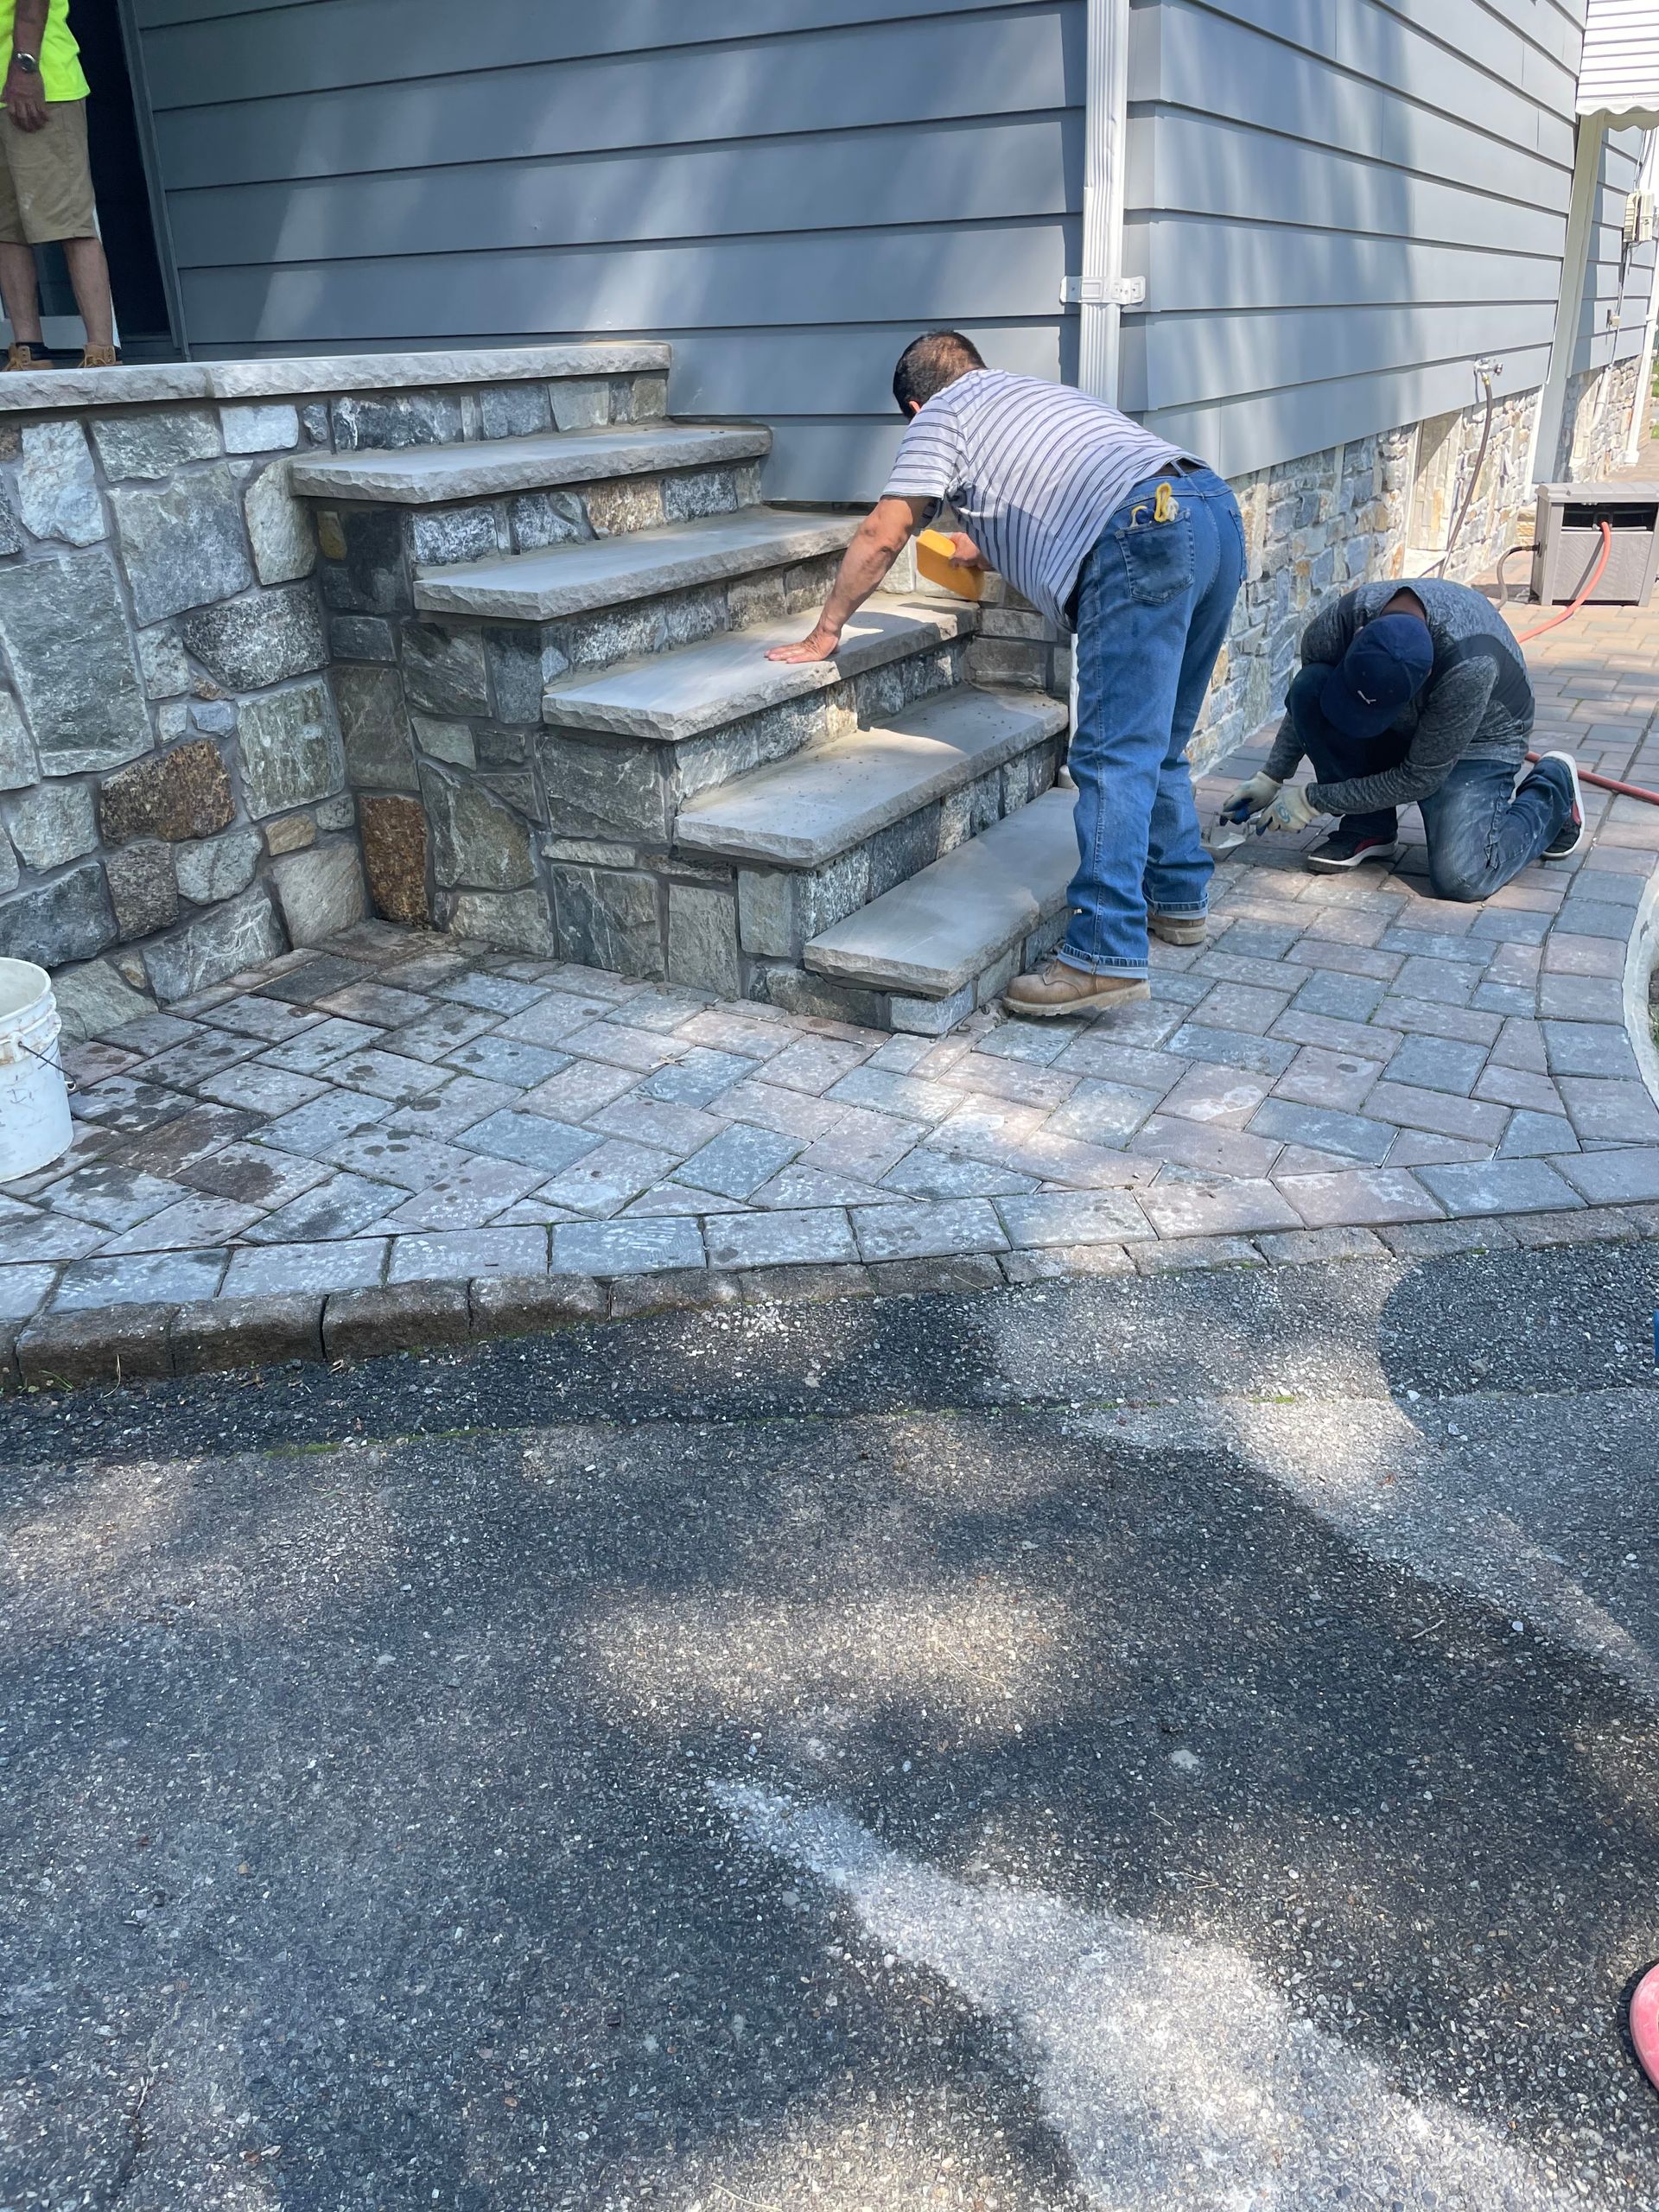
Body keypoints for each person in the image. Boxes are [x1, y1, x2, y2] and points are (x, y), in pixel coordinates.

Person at [767, 328, 1243, 1019]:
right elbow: (1060, 500)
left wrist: (826, 630)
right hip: (1210, 510)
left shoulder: (940, 415)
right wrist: (983, 545)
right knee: (1158, 737)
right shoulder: (1031, 395)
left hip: (1140, 533)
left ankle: (1101, 954)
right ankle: (1177, 896)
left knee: (1111, 755)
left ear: (912, 406)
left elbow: (884, 532)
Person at [1226, 578, 1583, 889]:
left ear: (1425, 677)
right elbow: (1305, 703)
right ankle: (1369, 826)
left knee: (1462, 876)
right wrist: (1271, 776)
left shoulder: (1469, 667)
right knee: (1310, 685)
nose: (1359, 723)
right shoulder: (1337, 625)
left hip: (1479, 739)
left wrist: (1313, 800)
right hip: (1410, 719)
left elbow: (1420, 778)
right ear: (1359, 637)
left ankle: (1553, 788)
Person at [0, 0, 117, 370]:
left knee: (70, 221)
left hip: (38, 86)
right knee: (6, 228)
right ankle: (29, 352)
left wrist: (25, 67)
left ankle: (101, 352)